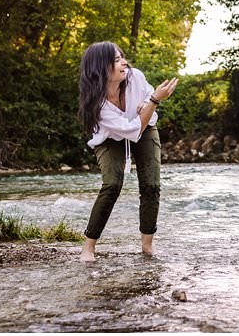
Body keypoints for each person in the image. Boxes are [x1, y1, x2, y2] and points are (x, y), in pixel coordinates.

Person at [76, 41, 178, 262]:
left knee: (151, 185)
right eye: (116, 60)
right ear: (101, 67)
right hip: (112, 137)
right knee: (112, 184)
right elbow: (132, 131)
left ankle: (147, 246)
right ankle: (88, 247)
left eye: (122, 57)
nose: (124, 63)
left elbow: (148, 92)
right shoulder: (97, 104)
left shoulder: (135, 77)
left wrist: (146, 101)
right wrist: (153, 101)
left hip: (146, 128)